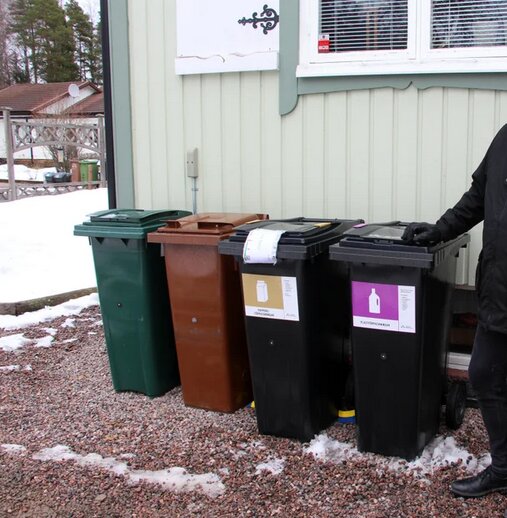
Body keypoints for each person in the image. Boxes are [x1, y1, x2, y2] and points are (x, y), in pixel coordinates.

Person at [402, 123, 507, 498]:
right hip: (499, 290)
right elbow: (478, 197)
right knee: (483, 374)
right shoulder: (504, 138)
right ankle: (503, 468)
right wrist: (440, 229)